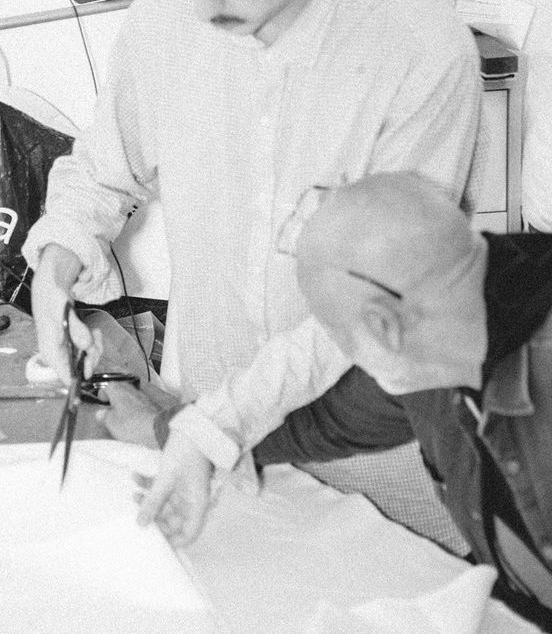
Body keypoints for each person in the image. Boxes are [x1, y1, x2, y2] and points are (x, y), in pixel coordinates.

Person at [23, 0, 481, 545]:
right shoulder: (164, 16)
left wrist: (214, 427)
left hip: (371, 433)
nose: (202, 6)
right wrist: (54, 271)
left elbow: (381, 295)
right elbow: (102, 170)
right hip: (207, 407)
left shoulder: (420, 45)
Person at [137, 171, 552, 630]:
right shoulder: (437, 344)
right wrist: (191, 440)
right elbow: (324, 424)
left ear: (382, 327)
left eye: (335, 335)